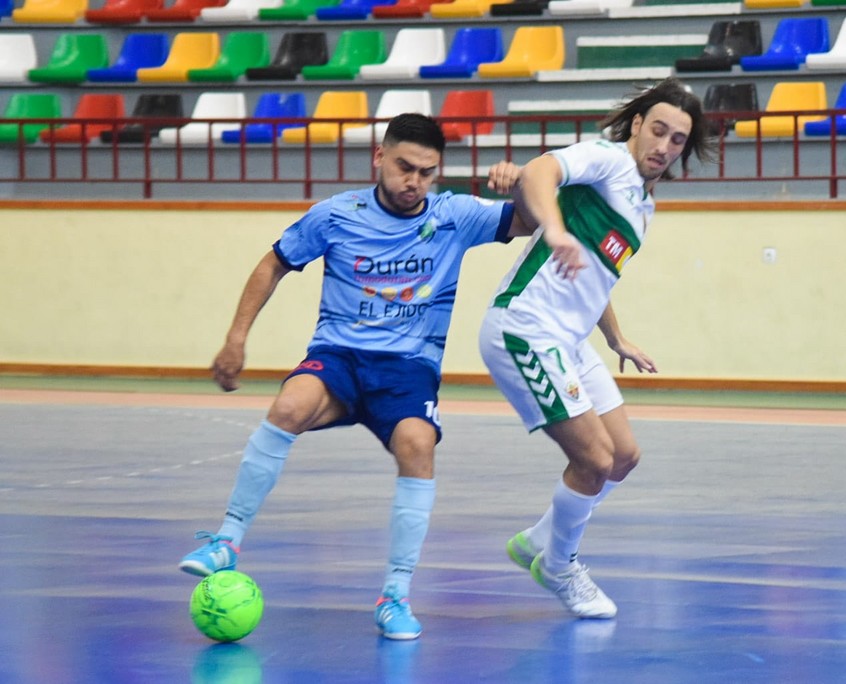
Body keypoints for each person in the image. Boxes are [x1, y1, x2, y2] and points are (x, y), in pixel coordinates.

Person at [179, 113, 531, 640]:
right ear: (379, 159)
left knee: (418, 444)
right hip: (339, 356)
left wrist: (520, 184)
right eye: (404, 167)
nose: (414, 182)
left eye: (427, 172)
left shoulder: (455, 215)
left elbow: (531, 221)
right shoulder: (337, 214)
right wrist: (236, 339)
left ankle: (395, 595)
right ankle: (226, 540)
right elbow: (272, 263)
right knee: (289, 406)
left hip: (407, 370)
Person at [478, 77, 716, 619]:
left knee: (624, 458)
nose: (664, 146)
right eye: (658, 130)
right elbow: (541, 170)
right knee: (594, 459)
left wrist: (615, 337)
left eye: (678, 139)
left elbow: (595, 278)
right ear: (637, 125)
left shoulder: (644, 208)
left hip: (572, 338)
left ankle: (539, 539)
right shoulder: (608, 160)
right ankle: (559, 566)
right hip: (525, 329)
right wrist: (556, 231)